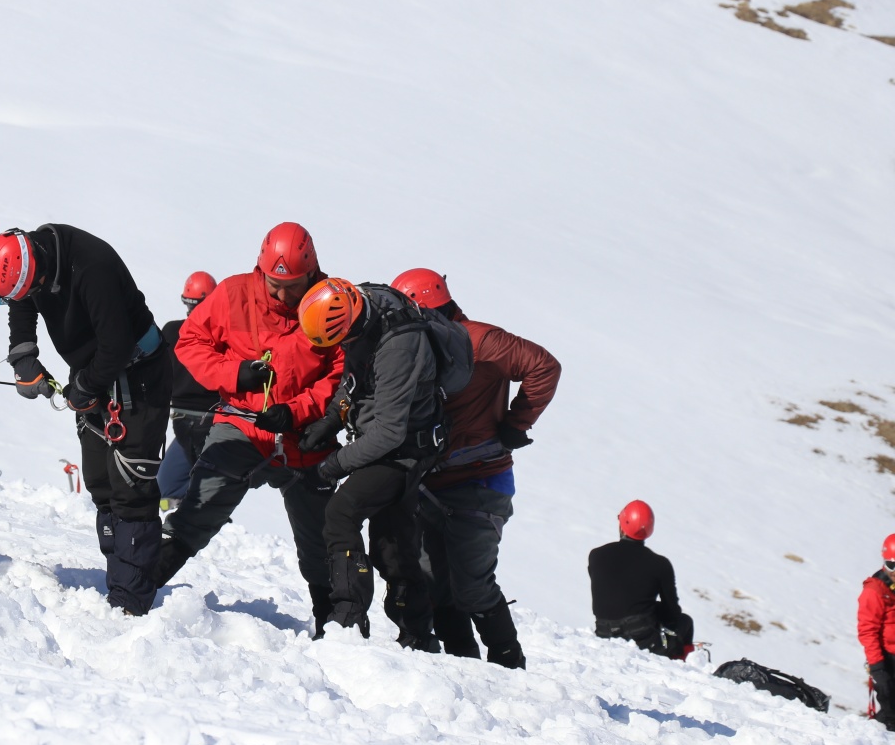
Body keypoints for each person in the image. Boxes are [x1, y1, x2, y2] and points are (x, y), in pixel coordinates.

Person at [156, 223, 343, 634]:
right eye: (274, 284)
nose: (280, 295)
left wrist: (296, 411)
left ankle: (340, 635)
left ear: (311, 274)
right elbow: (190, 342)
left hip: (306, 436)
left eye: (291, 286)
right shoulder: (233, 293)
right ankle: (135, 592)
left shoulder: (332, 303)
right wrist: (234, 374)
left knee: (324, 545)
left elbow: (340, 376)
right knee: (195, 514)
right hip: (242, 425)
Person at [0, 225, 170, 616]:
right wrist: (23, 354)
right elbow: (21, 299)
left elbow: (116, 344)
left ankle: (130, 605)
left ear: (38, 271)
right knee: (101, 483)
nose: (25, 299)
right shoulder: (30, 263)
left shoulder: (91, 266)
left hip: (137, 375)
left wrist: (84, 387)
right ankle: (121, 584)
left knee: (130, 489)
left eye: (30, 291)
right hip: (94, 372)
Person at [396, 268, 560, 669]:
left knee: (470, 587)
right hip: (434, 486)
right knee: (436, 585)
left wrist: (515, 425)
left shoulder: (480, 339)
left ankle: (508, 665)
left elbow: (544, 366)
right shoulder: (427, 344)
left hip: (480, 484)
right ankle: (464, 666)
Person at [296, 279, 467, 648]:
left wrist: (332, 466)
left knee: (342, 512)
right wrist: (332, 418)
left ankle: (347, 622)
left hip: (403, 450)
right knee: (392, 545)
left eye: (341, 339)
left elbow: (389, 433)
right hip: (390, 444)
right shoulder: (363, 306)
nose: (342, 347)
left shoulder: (399, 345)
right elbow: (355, 379)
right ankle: (419, 636)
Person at [588, 500, 695, 658]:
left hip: (603, 632)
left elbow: (613, 592)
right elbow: (672, 611)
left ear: (622, 523)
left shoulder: (596, 555)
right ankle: (681, 667)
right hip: (643, 639)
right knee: (685, 622)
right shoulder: (660, 564)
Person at [156, 271, 222, 506]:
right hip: (210, 420)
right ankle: (208, 504)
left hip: (193, 420)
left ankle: (208, 505)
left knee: (168, 487)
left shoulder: (173, 331)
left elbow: (157, 375)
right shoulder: (226, 335)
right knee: (170, 486)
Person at [857, 533, 895, 731]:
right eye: (891, 566)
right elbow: (867, 631)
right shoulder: (875, 591)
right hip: (887, 660)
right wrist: (878, 667)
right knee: (891, 714)